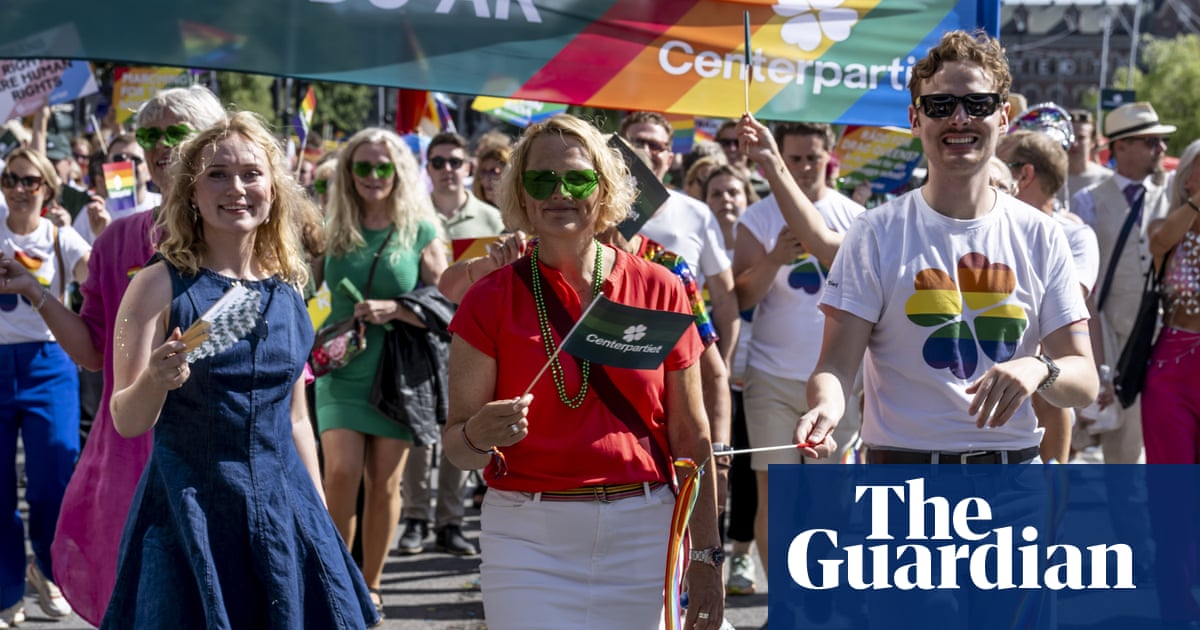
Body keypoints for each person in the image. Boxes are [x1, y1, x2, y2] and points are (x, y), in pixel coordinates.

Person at [445, 114, 726, 629]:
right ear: (521, 193)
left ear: (605, 188)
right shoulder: (487, 298)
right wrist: (477, 435)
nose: (559, 193)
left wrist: (707, 555)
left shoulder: (661, 287)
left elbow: (692, 434)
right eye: (541, 180)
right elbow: (457, 448)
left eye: (577, 179)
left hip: (644, 531)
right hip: (527, 536)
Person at [101, 111, 377, 628]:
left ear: (273, 188)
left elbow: (297, 418)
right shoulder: (155, 286)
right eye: (217, 174)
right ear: (191, 192)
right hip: (191, 513)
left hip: (284, 504)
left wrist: (317, 512)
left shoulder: (288, 288)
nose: (236, 188)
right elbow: (126, 419)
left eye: (251, 173)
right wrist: (155, 381)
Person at [795, 30, 1098, 463]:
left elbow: (1083, 378)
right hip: (903, 475)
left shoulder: (1042, 235)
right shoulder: (875, 233)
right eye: (940, 105)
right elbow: (835, 367)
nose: (959, 118)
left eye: (978, 104)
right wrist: (826, 407)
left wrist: (1039, 368)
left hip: (1012, 476)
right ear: (915, 119)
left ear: (1003, 117)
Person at [11, 85, 228, 627]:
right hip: (129, 453)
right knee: (134, 600)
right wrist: (36, 292)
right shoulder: (117, 240)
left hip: (214, 449)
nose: (159, 146)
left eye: (175, 133)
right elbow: (91, 351)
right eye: (149, 136)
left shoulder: (235, 234)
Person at [732, 120, 865, 602]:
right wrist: (773, 259)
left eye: (813, 157)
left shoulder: (855, 216)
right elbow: (740, 298)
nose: (805, 167)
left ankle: (823, 600)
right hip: (772, 378)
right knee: (778, 499)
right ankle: (785, 604)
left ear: (829, 156)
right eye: (795, 159)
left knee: (830, 500)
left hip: (838, 383)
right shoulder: (758, 217)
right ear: (780, 160)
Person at [318, 127, 447, 616]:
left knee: (384, 482)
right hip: (340, 367)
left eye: (382, 167)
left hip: (397, 374)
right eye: (363, 166)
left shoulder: (421, 231)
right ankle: (337, 581)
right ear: (348, 172)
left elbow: (445, 304)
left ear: (398, 172)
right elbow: (300, 284)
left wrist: (396, 308)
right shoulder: (331, 227)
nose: (373, 175)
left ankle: (369, 585)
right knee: (340, 471)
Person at [397, 131, 503, 558]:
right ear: (428, 168)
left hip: (473, 337)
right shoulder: (412, 215)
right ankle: (415, 518)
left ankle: (450, 521)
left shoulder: (491, 218)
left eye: (454, 162)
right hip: (422, 336)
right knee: (420, 432)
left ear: (468, 167)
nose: (446, 170)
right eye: (438, 162)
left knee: (464, 424)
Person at [0, 148, 90, 626]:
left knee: (53, 480)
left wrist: (101, 235)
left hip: (48, 365)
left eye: (30, 181)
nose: (19, 189)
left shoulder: (61, 236)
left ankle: (49, 570)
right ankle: (6, 591)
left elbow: (96, 278)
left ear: (48, 189)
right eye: (11, 179)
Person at [1071, 101, 1175, 464]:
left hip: (1163, 337)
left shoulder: (1172, 195)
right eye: (1151, 141)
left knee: (1161, 442)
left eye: (1161, 141)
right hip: (1112, 339)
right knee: (1117, 448)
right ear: (1122, 145)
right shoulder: (1088, 201)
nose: (1161, 148)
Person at [998, 129, 1101, 463]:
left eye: (1001, 165)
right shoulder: (992, 226)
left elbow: (1063, 306)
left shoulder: (1074, 234)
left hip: (1045, 385)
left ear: (1024, 175)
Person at [702, 164, 760, 597]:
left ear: (746, 198)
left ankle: (741, 552)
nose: (726, 200)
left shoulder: (759, 242)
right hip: (701, 377)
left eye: (733, 192)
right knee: (709, 470)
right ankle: (703, 557)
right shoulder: (695, 240)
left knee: (744, 472)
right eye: (717, 193)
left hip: (751, 374)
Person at [1143, 138, 1200, 463]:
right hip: (1173, 373)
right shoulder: (1162, 227)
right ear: (1186, 178)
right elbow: (1160, 242)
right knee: (1174, 482)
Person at [71, 133, 161, 245]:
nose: (127, 163)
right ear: (106, 168)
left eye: (135, 159)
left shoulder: (165, 206)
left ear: (149, 170)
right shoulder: (92, 214)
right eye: (119, 158)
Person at [1066, 109, 1113, 197]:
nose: (1074, 144)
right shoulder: (1048, 178)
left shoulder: (1107, 179)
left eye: (1081, 138)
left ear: (1093, 142)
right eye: (1070, 137)